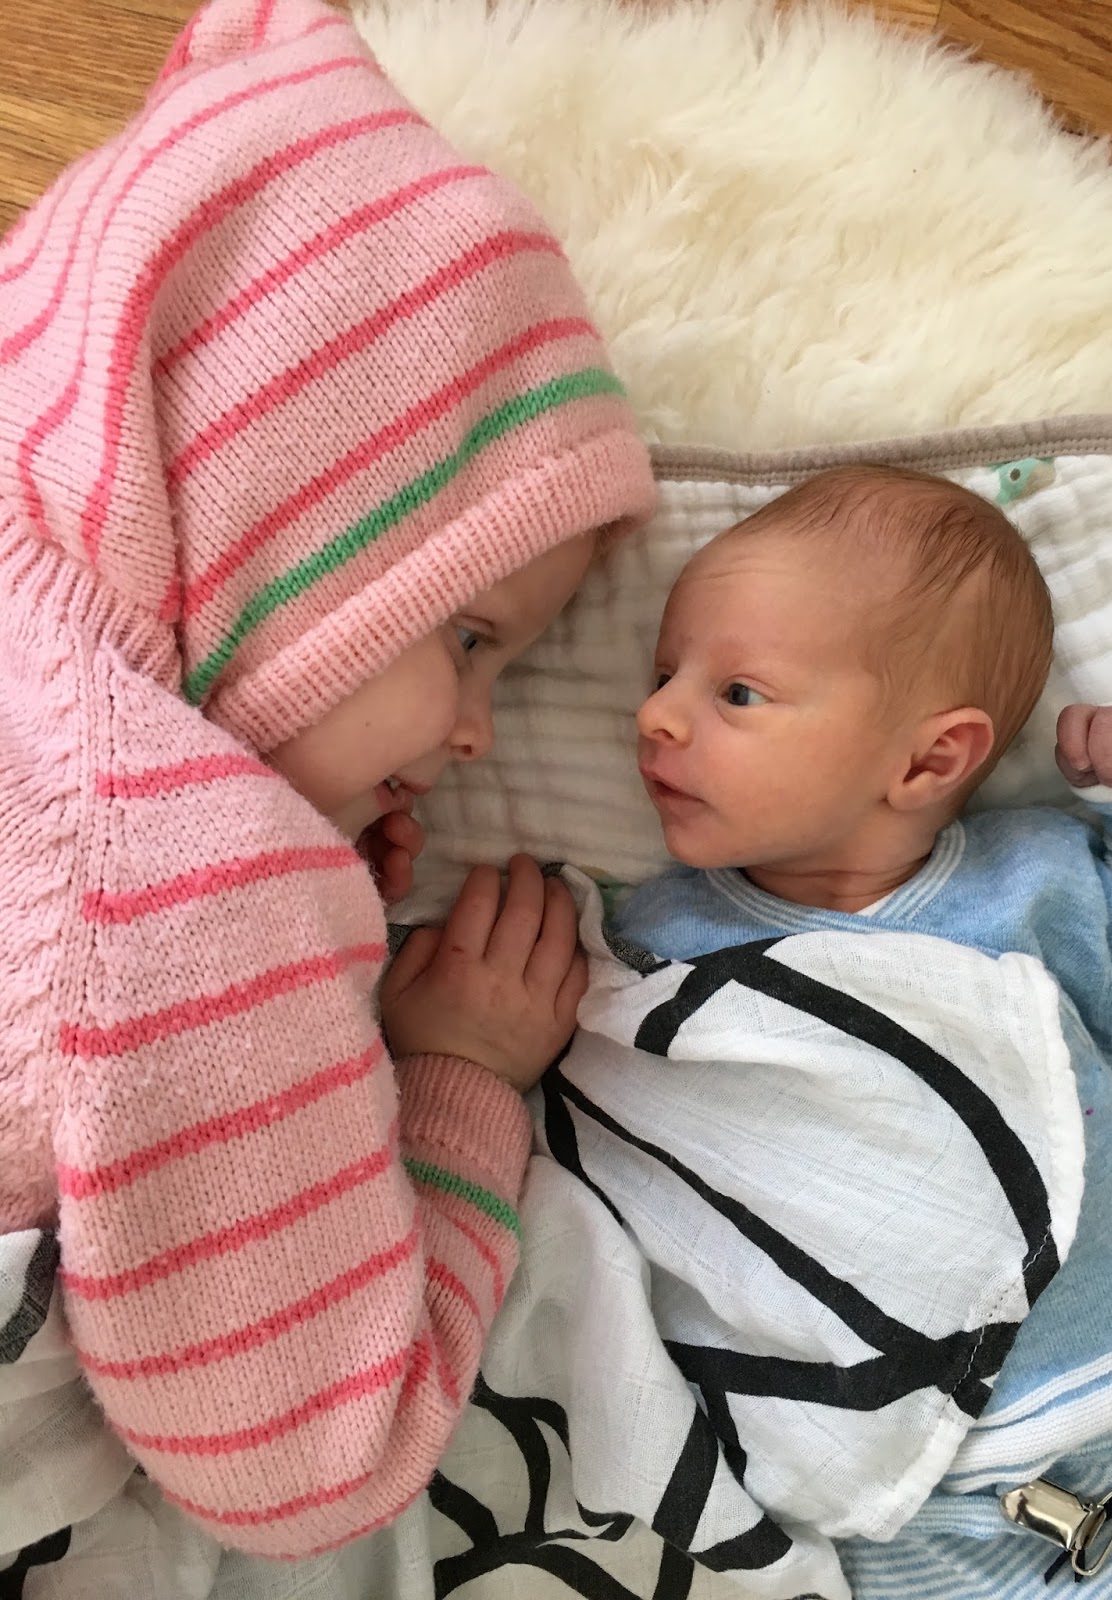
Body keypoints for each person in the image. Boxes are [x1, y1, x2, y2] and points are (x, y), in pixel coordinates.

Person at [0, 0, 655, 1566]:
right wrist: (460, 1081)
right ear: (268, 532)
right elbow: (307, 1466)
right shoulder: (177, 874)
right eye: (473, 639)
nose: (479, 732)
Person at [608, 462, 1112, 1592]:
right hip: (907, 1503)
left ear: (929, 759)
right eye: (663, 674)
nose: (654, 714)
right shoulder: (648, 948)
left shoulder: (1029, 890)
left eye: (739, 693)